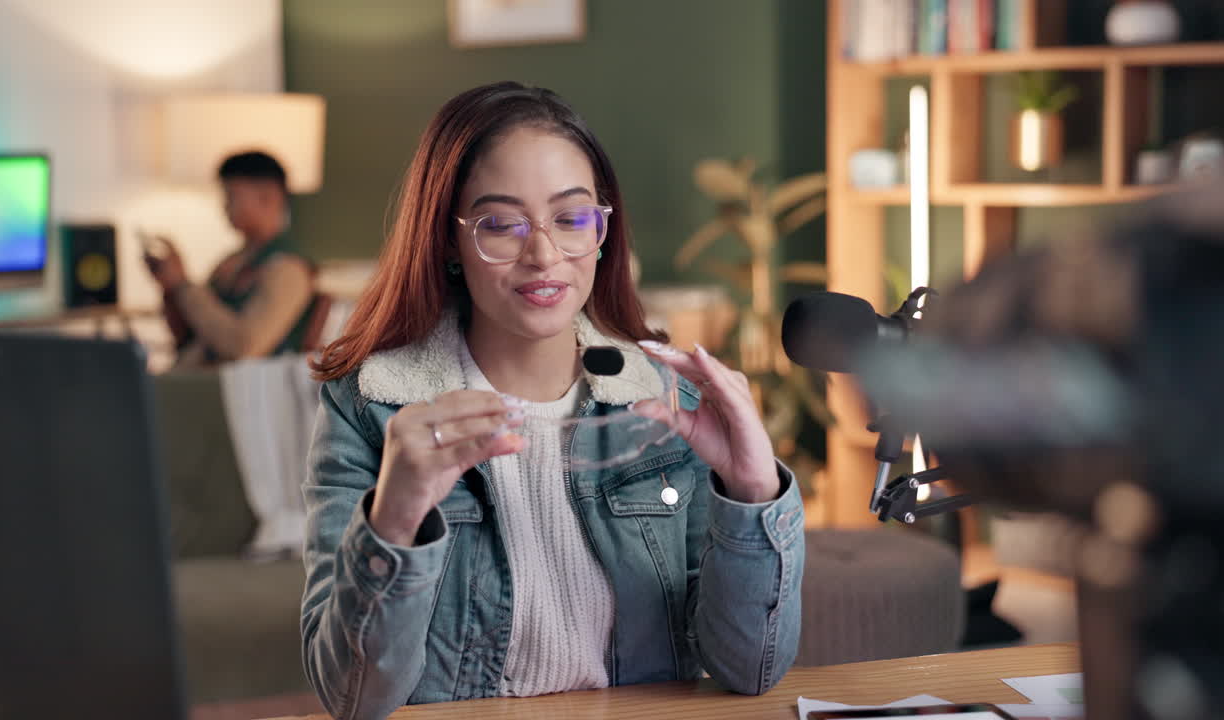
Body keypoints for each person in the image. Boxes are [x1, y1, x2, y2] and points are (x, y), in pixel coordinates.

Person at [301, 82, 805, 719]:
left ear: (602, 230)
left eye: (570, 219)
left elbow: (749, 670)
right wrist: (395, 518)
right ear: (450, 241)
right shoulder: (370, 407)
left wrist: (754, 490)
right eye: (502, 226)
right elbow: (352, 698)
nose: (544, 256)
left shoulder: (664, 402)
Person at [143, 150, 320, 368]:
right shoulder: (230, 263)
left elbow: (243, 347)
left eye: (231, 196)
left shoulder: (288, 270)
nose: (224, 206)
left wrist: (182, 285)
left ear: (268, 195)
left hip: (234, 394)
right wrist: (170, 287)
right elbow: (192, 334)